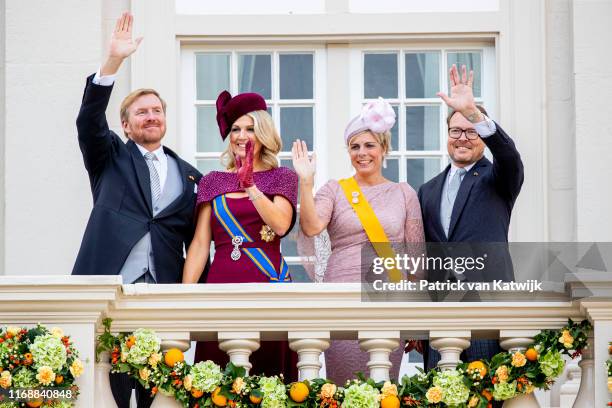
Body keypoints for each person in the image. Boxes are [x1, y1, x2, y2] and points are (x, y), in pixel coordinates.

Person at [72, 12, 203, 408]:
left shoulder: (190, 175)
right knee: (105, 385)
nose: (151, 116)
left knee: (156, 390)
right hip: (110, 286)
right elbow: (89, 120)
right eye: (141, 112)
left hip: (163, 290)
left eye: (156, 111)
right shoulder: (108, 156)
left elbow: (200, 239)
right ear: (126, 126)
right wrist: (112, 63)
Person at [292, 97, 425, 384]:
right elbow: (312, 226)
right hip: (341, 296)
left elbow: (417, 261)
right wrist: (305, 182)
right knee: (343, 385)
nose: (362, 153)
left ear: (384, 148)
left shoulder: (404, 193)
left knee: (383, 386)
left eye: (369, 145)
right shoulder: (335, 190)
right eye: (355, 147)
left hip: (391, 297)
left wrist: (415, 317)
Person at [417, 64, 524, 382]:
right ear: (447, 136)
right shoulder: (428, 190)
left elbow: (509, 156)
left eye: (471, 131)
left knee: (488, 396)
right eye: (455, 131)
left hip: (486, 310)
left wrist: (474, 112)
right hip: (440, 314)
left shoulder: (498, 177)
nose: (462, 138)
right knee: (438, 397)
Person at [182, 90, 299, 379]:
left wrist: (250, 186)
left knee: (270, 378)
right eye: (235, 129)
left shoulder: (282, 177)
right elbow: (199, 244)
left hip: (269, 283)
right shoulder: (213, 181)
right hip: (222, 283)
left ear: (263, 134)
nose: (241, 136)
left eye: (250, 129)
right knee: (217, 378)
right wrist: (183, 296)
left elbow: (281, 225)